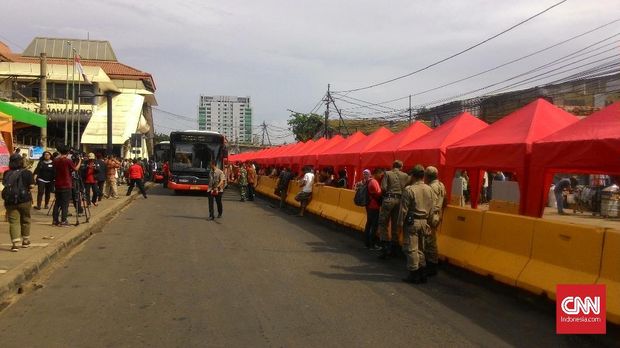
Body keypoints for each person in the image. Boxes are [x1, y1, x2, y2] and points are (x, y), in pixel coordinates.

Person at [399, 165, 434, 284]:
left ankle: (414, 273)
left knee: (411, 248)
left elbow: (403, 210)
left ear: (413, 176)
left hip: (412, 222)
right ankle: (423, 272)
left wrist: (400, 224)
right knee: (420, 248)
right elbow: (432, 208)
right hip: (424, 221)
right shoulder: (429, 189)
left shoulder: (409, 189)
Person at [377, 160, 409, 259]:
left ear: (393, 165)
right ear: (401, 167)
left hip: (389, 199)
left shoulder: (388, 173)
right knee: (396, 224)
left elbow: (384, 187)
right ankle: (395, 249)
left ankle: (385, 248)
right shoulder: (405, 176)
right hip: (400, 200)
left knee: (383, 223)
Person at [3, 154, 34, 252]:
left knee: (13, 222)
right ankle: (25, 241)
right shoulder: (27, 173)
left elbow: (5, 184)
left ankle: (15, 244)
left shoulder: (6, 173)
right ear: (21, 161)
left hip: (10, 201)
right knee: (25, 219)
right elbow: (32, 186)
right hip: (24, 200)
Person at [425, 166, 446, 277]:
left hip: (431, 215)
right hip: (438, 215)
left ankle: (431, 265)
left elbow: (429, 204)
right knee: (431, 239)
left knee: (430, 241)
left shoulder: (431, 187)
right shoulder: (441, 185)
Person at [52, 145, 81, 227]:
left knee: (57, 203)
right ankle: (64, 220)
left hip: (58, 184)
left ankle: (55, 220)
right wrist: (79, 161)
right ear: (68, 152)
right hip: (66, 184)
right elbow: (75, 169)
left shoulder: (55, 160)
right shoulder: (68, 161)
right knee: (65, 204)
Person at [360, 168, 382, 250]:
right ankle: (372, 244)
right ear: (377, 173)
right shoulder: (374, 182)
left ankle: (367, 243)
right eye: (380, 174)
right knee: (374, 226)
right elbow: (378, 193)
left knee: (368, 224)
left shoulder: (367, 181)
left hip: (369, 205)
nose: (381, 176)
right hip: (374, 206)